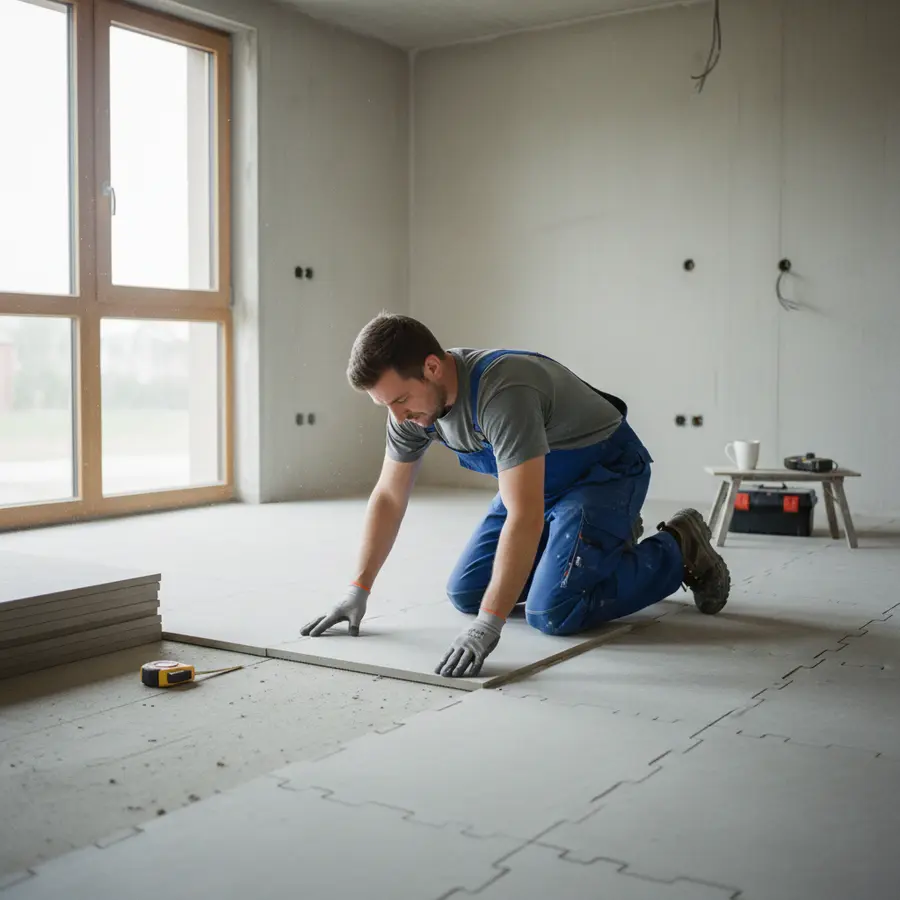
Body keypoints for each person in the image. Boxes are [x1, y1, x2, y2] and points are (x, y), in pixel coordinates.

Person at [301, 313, 730, 678]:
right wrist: (358, 588)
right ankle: (600, 542)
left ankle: (679, 547)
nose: (397, 417)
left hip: (603, 476)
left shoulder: (502, 392)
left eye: (399, 400)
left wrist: (490, 625)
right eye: (384, 406)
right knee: (468, 593)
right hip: (536, 484)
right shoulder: (411, 412)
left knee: (552, 612)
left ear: (432, 367)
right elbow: (389, 497)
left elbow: (523, 516)